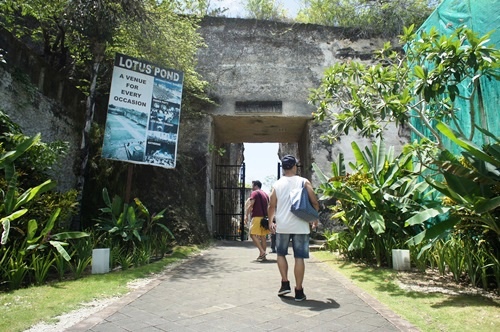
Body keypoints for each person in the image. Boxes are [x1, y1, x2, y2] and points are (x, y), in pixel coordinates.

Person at [267, 155, 319, 301]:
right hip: (301, 225)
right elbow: (314, 201)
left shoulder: (277, 184)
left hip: (282, 225)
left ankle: (284, 284)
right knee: (299, 257)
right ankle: (299, 291)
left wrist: (271, 221)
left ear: (283, 168)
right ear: (295, 166)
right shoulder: (304, 182)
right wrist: (314, 218)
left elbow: (271, 205)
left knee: (281, 254)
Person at [245, 180, 270, 261]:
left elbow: (251, 205)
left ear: (256, 185)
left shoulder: (254, 193)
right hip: (264, 218)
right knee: (263, 237)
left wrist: (246, 215)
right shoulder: (265, 194)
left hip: (257, 217)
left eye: (252, 185)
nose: (252, 187)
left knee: (252, 234)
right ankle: (263, 256)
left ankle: (262, 252)